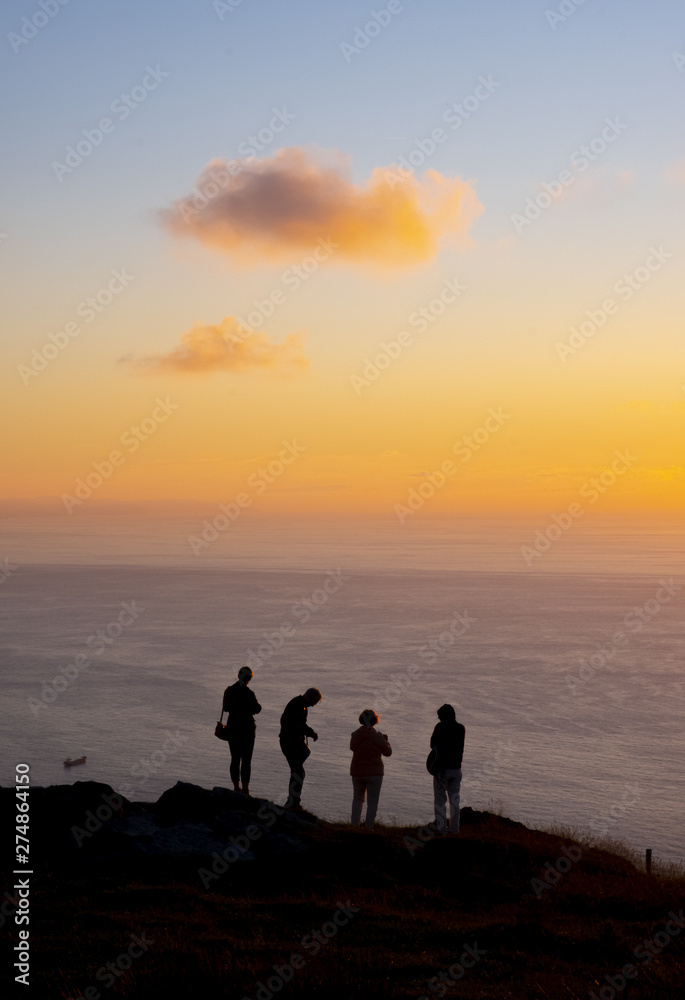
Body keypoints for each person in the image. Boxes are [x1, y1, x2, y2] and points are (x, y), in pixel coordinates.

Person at [279, 687, 321, 810]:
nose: (313, 705)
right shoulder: (298, 706)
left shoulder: (298, 703)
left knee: (297, 772)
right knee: (298, 772)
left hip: (288, 741)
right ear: (309, 697)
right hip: (290, 743)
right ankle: (293, 803)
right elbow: (298, 725)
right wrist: (310, 732)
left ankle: (293, 802)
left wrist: (308, 732)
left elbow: (296, 723)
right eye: (314, 702)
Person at [222, 666, 261, 795]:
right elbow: (257, 709)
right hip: (247, 729)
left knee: (235, 758)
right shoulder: (249, 693)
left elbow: (226, 708)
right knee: (246, 760)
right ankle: (245, 789)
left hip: (233, 727)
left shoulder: (229, 691)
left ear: (238, 676)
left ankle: (236, 787)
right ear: (248, 679)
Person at [350, 710, 392, 829]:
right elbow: (388, 752)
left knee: (357, 799)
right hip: (374, 773)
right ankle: (369, 827)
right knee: (372, 802)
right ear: (374, 721)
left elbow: (352, 747)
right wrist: (385, 741)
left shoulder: (355, 735)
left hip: (357, 771)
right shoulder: (377, 736)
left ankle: (354, 826)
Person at [430, 703, 465, 834]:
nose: (438, 719)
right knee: (454, 800)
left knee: (440, 800)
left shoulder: (440, 727)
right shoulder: (461, 728)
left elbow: (432, 744)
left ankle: (441, 828)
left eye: (439, 717)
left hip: (442, 769)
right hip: (456, 768)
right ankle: (454, 829)